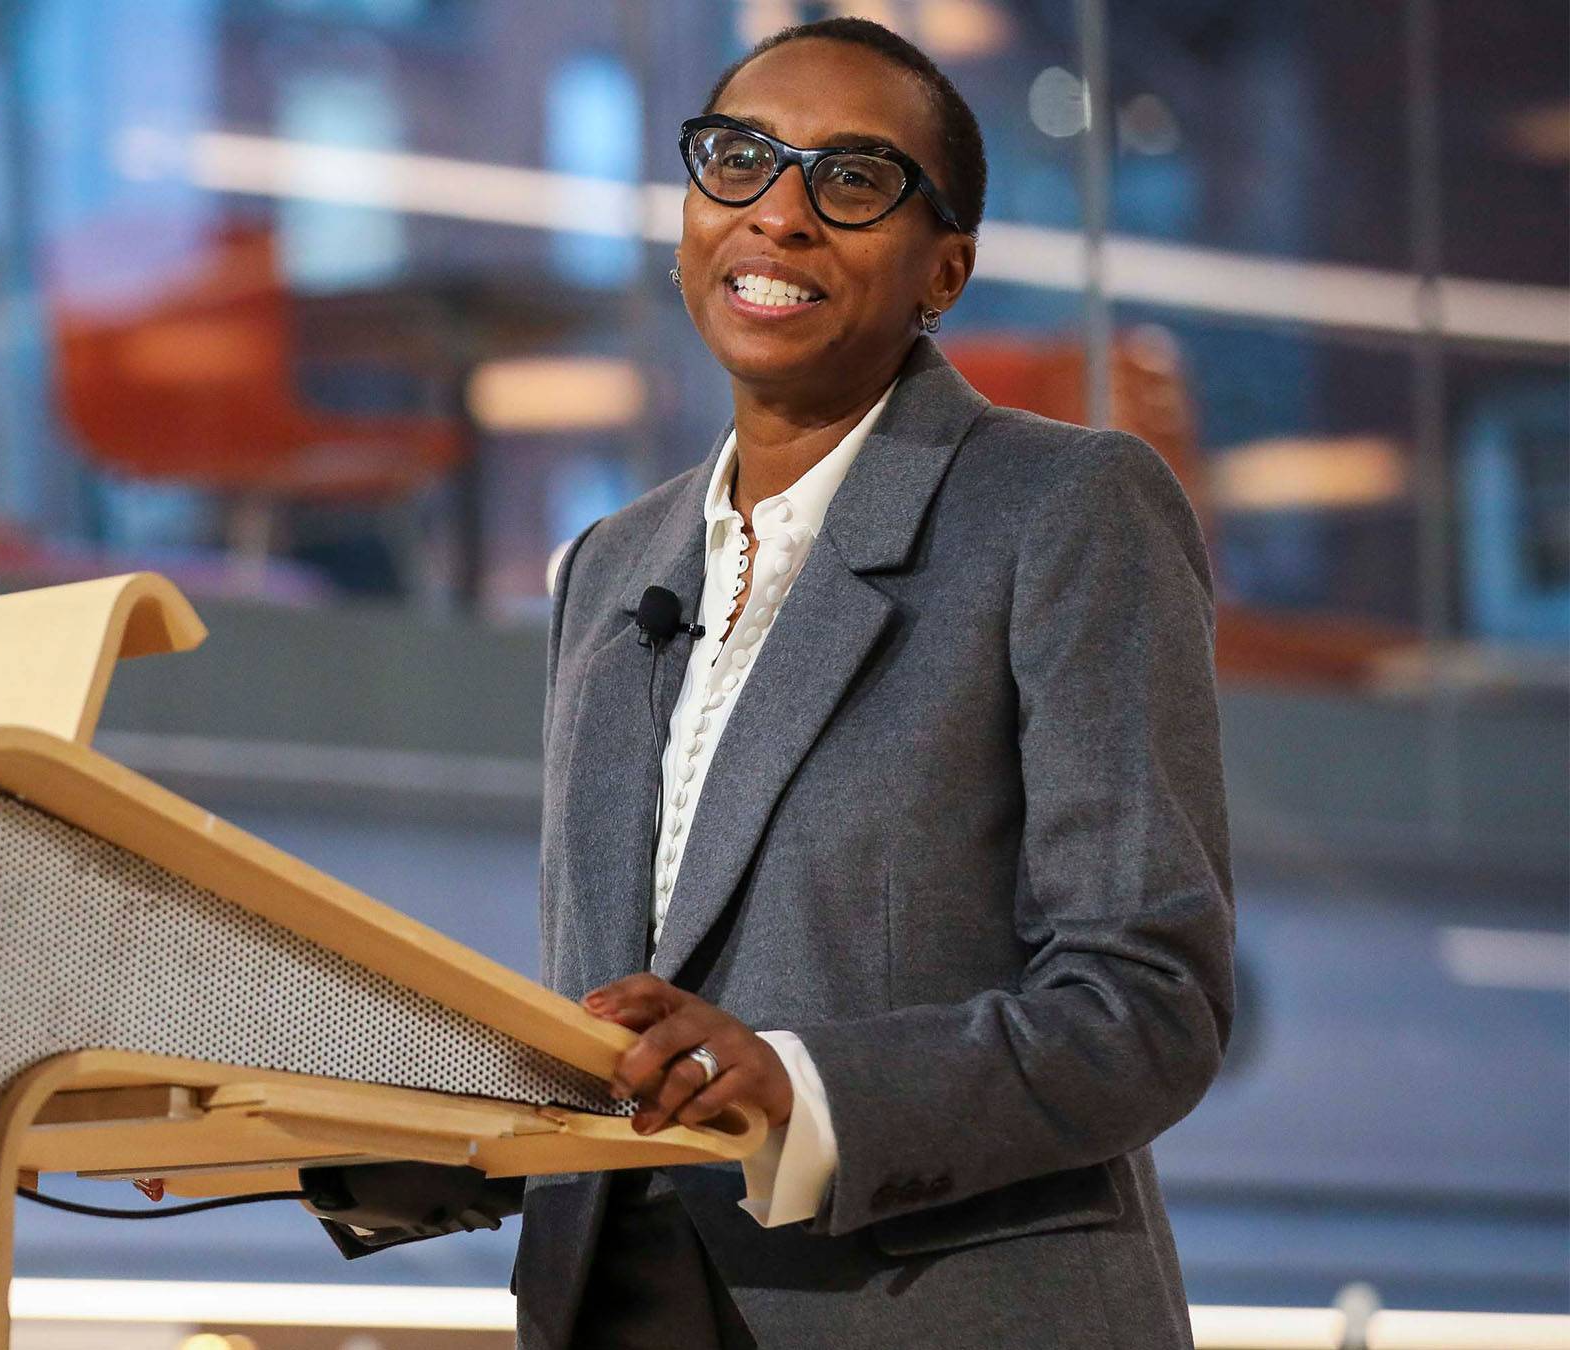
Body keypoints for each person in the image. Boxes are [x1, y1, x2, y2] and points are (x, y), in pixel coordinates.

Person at [309, 15, 1235, 1349]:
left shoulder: (1064, 508)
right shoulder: (610, 566)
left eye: (852, 179)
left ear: (945, 269)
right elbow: (619, 1009)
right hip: (616, 1301)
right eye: (739, 160)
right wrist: (366, 1119)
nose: (781, 213)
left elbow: (1149, 1006)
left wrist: (799, 1087)